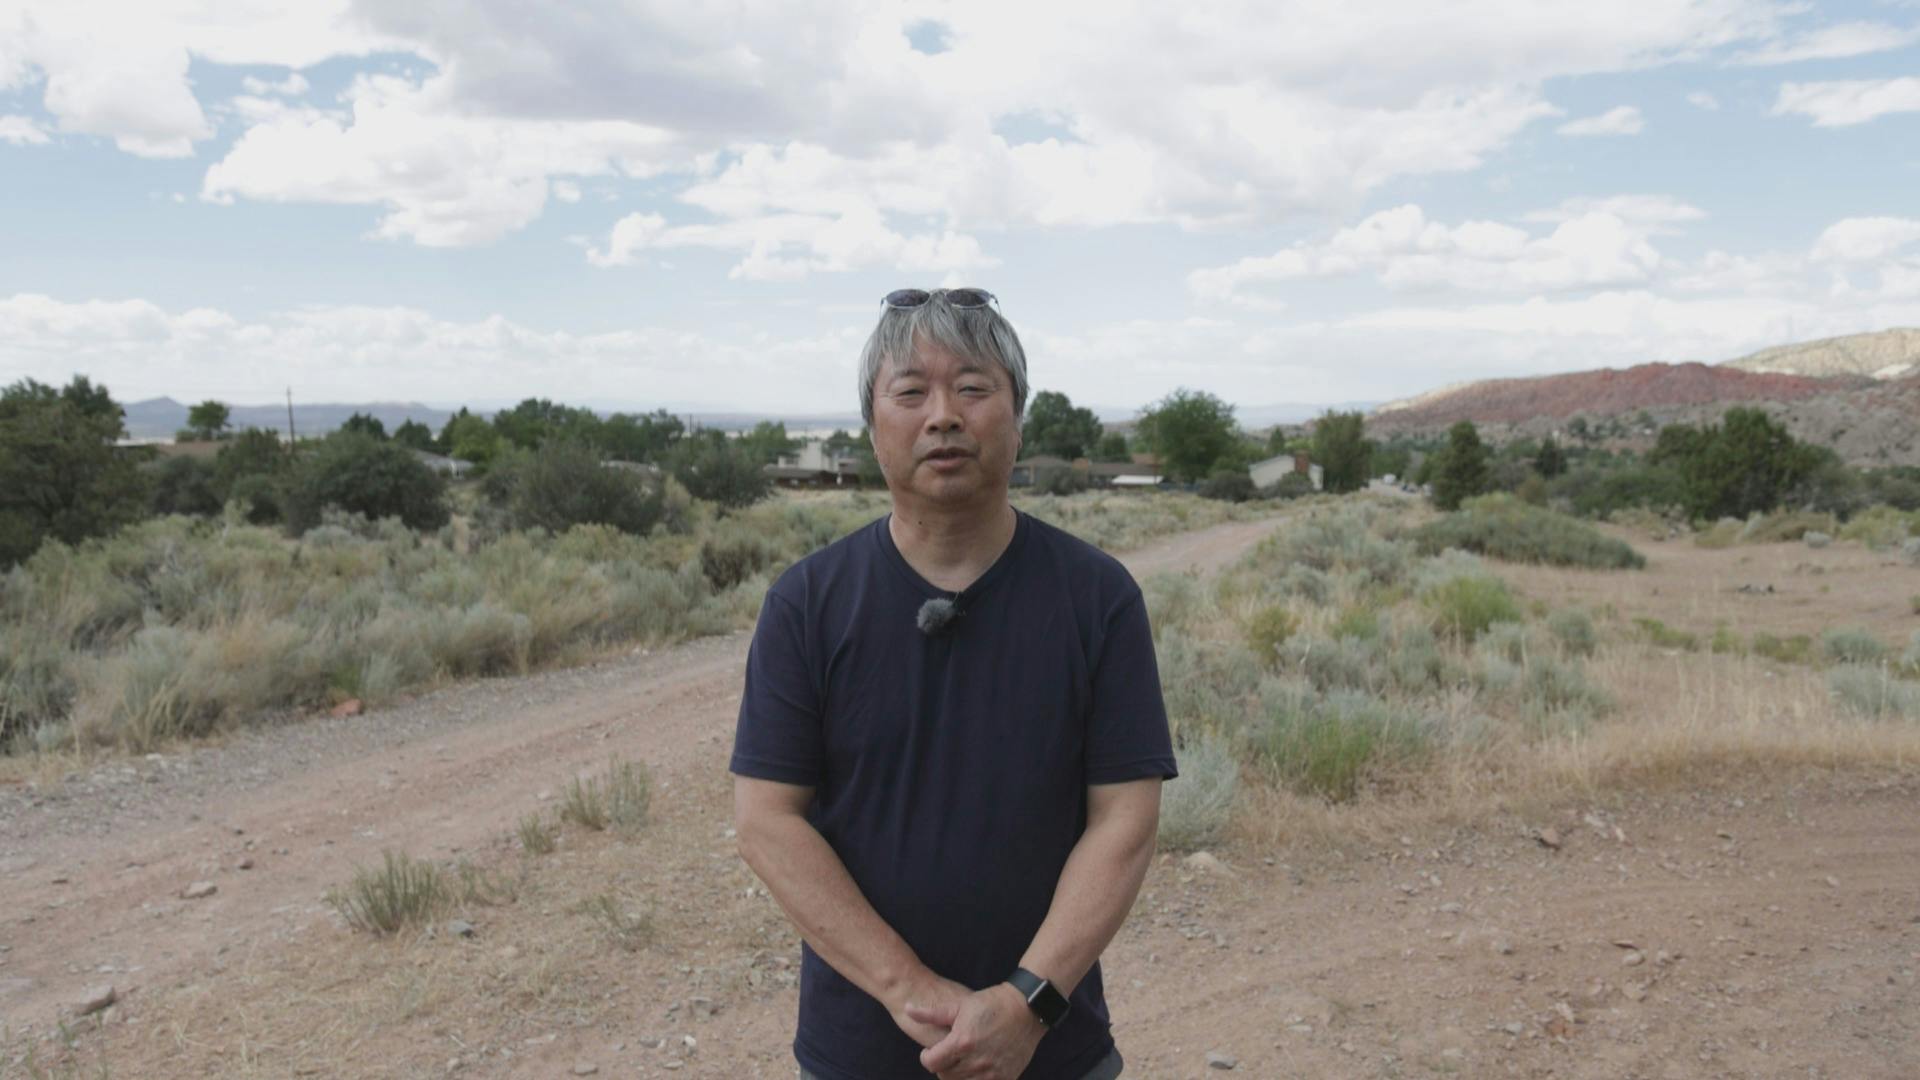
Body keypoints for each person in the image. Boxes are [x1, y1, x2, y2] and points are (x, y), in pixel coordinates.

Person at [730, 287, 1176, 1080]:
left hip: (1055, 1051)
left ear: (1017, 418)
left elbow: (1125, 819)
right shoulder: (807, 604)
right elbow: (768, 820)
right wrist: (908, 990)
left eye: (973, 388)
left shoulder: (1098, 598)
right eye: (910, 393)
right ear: (874, 429)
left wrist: (1026, 1004)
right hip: (860, 1054)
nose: (943, 416)